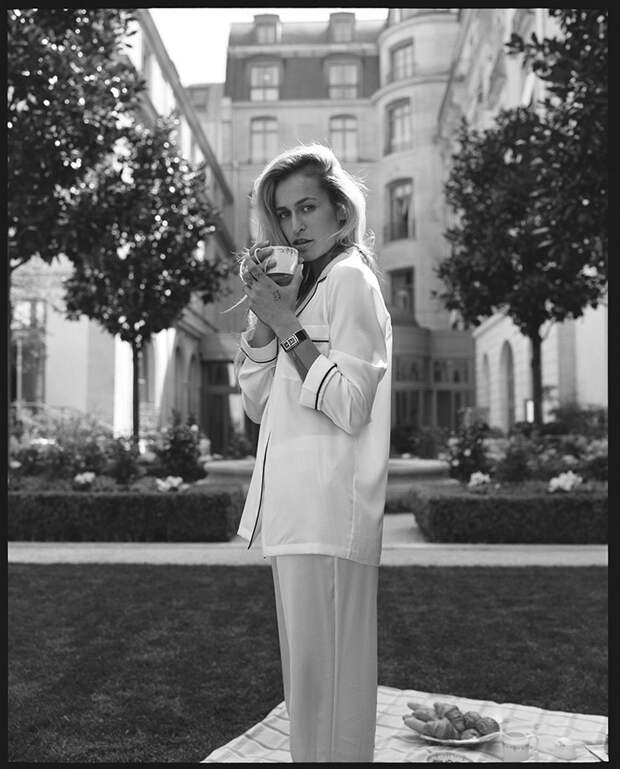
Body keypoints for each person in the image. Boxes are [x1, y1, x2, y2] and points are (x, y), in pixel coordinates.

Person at [234, 143, 392, 763]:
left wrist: (287, 326)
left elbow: (351, 404)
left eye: (307, 208)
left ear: (340, 213)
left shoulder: (350, 279)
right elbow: (257, 406)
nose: (295, 225)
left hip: (330, 511)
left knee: (329, 686)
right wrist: (264, 320)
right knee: (308, 685)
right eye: (283, 213)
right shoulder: (302, 288)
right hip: (294, 512)